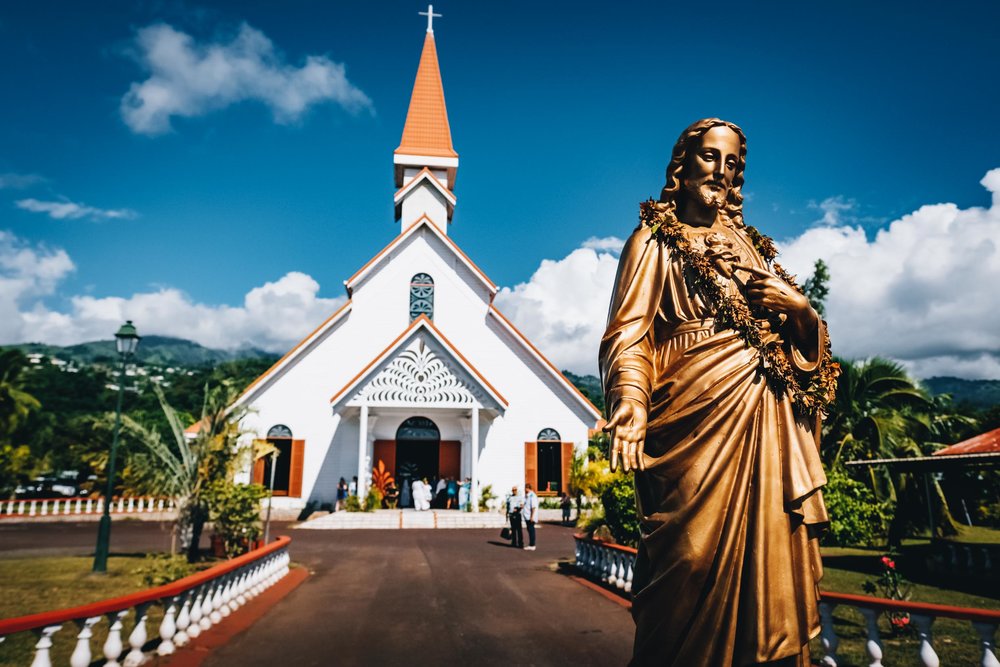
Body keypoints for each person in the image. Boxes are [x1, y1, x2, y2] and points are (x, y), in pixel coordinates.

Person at [600, 118, 837, 666]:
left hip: (767, 421)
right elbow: (628, 335)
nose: (721, 172)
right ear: (682, 165)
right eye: (710, 157)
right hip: (691, 421)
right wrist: (632, 402)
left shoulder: (753, 248)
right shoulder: (654, 243)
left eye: (732, 164)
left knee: (771, 560)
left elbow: (806, 355)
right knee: (687, 560)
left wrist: (802, 314)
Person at [523, 483, 538, 551]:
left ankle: (532, 545)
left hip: (530, 516)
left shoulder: (532, 496)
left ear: (527, 488)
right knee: (529, 530)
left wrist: (532, 517)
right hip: (527, 516)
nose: (524, 489)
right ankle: (531, 544)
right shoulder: (527, 496)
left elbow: (533, 507)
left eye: (525, 488)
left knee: (531, 530)